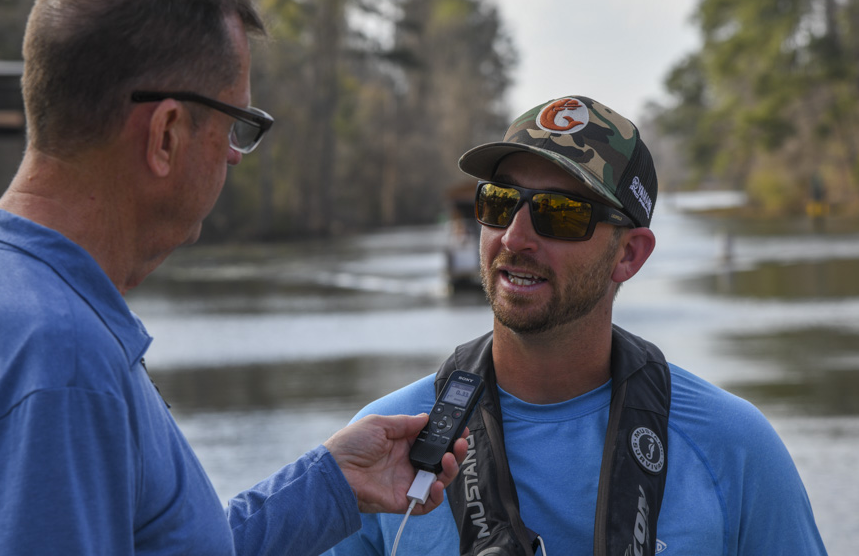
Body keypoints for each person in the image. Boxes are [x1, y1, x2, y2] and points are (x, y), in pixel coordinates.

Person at [0, 0, 466, 556]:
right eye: (236, 125)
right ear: (167, 134)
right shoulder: (57, 363)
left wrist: (330, 484)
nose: (235, 156)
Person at [326, 96, 828, 556]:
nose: (514, 237)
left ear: (629, 254)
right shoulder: (383, 453)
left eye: (560, 214)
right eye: (499, 202)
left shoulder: (734, 449)